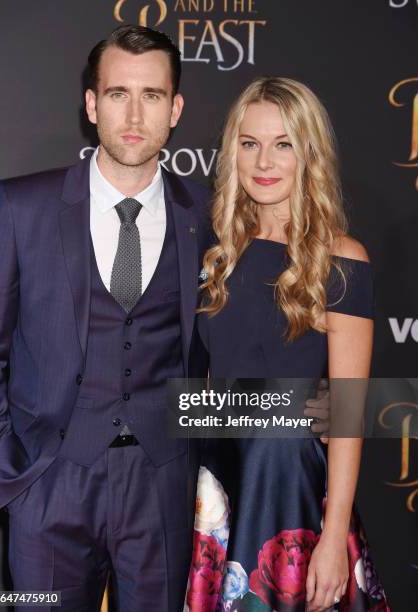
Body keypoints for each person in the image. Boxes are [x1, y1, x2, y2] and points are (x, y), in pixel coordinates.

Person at [0, 24, 212, 611]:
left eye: (153, 95)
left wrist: (319, 411)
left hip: (162, 482)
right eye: (118, 94)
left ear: (176, 109)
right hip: (48, 485)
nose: (134, 113)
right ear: (92, 105)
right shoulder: (20, 208)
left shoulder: (208, 217)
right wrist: (10, 466)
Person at [185, 77, 390, 611]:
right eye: (249, 143)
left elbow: (345, 410)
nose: (263, 161)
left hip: (292, 490)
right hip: (216, 487)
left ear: (310, 154)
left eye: (284, 145)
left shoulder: (341, 259)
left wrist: (333, 536)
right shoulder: (216, 251)